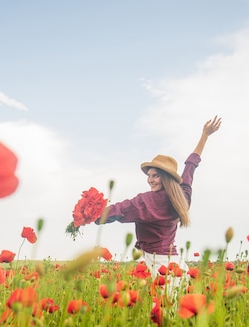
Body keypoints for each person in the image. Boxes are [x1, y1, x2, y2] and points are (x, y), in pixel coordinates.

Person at [95, 115, 222, 297]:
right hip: (174, 263)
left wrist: (93, 216)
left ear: (165, 178)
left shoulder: (149, 201)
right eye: (149, 175)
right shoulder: (182, 196)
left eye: (155, 175)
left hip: (158, 264)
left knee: (161, 316)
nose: (150, 180)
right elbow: (190, 167)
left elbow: (122, 209)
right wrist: (205, 135)